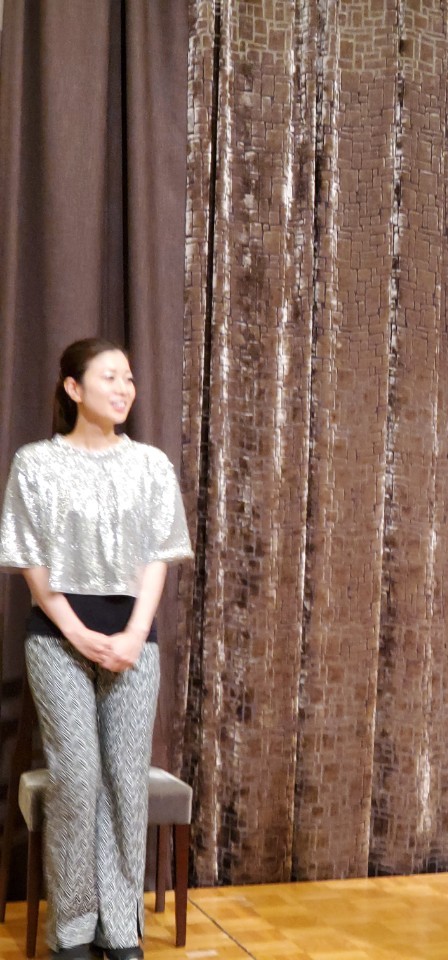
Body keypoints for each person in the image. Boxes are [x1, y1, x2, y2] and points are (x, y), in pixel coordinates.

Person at [0, 338, 192, 960]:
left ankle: (120, 927)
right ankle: (73, 931)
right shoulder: (35, 463)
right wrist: (75, 632)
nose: (124, 388)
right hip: (58, 639)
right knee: (77, 779)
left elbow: (158, 557)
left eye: (129, 378)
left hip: (133, 639)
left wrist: (135, 634)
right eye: (110, 377)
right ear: (73, 388)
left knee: (125, 782)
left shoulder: (151, 465)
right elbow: (30, 560)